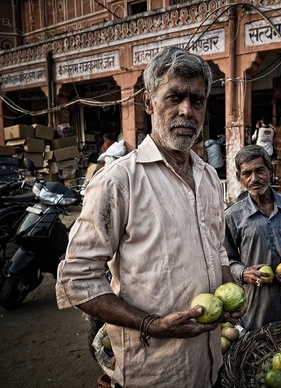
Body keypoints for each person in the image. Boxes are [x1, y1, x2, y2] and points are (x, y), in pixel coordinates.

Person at [55, 46, 244, 388]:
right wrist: (151, 324)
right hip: (155, 371)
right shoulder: (118, 182)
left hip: (210, 362)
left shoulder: (208, 178)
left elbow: (216, 249)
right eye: (174, 97)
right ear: (148, 103)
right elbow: (77, 279)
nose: (187, 111)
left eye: (197, 101)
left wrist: (226, 289)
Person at [224, 144, 281, 331]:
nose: (254, 179)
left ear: (270, 171)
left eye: (260, 171)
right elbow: (227, 259)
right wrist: (243, 273)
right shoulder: (232, 216)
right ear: (239, 178)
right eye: (247, 173)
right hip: (258, 309)